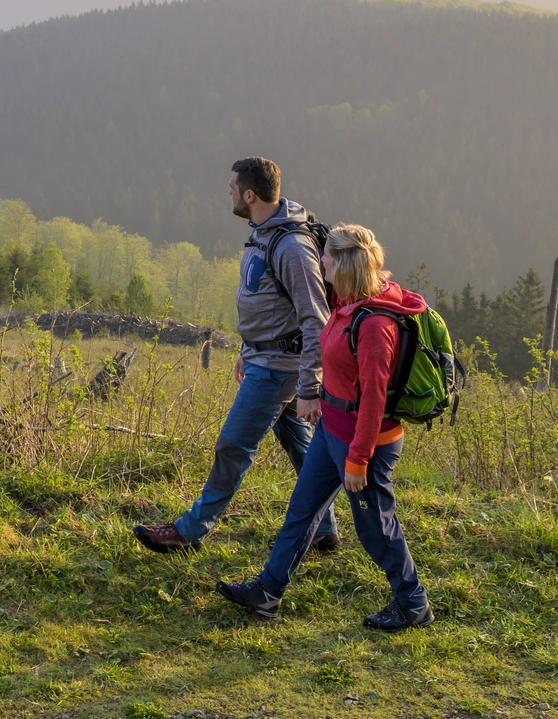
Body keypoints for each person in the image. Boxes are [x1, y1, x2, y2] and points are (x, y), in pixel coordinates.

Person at [215, 223, 435, 631]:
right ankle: (268, 592)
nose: (321, 262)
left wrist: (358, 459)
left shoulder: (374, 326)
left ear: (346, 264)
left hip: (363, 443)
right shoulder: (347, 300)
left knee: (375, 527)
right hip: (332, 431)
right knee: (302, 511)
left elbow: (372, 399)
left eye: (328, 257)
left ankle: (413, 603)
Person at [134, 157, 338, 554]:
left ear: (250, 194)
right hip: (266, 358)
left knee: (232, 446)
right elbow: (264, 301)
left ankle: (190, 531)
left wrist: (311, 386)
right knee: (297, 440)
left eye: (231, 186)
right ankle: (324, 527)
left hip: (279, 368)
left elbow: (316, 321)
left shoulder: (292, 247)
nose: (226, 191)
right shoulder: (264, 232)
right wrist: (249, 347)